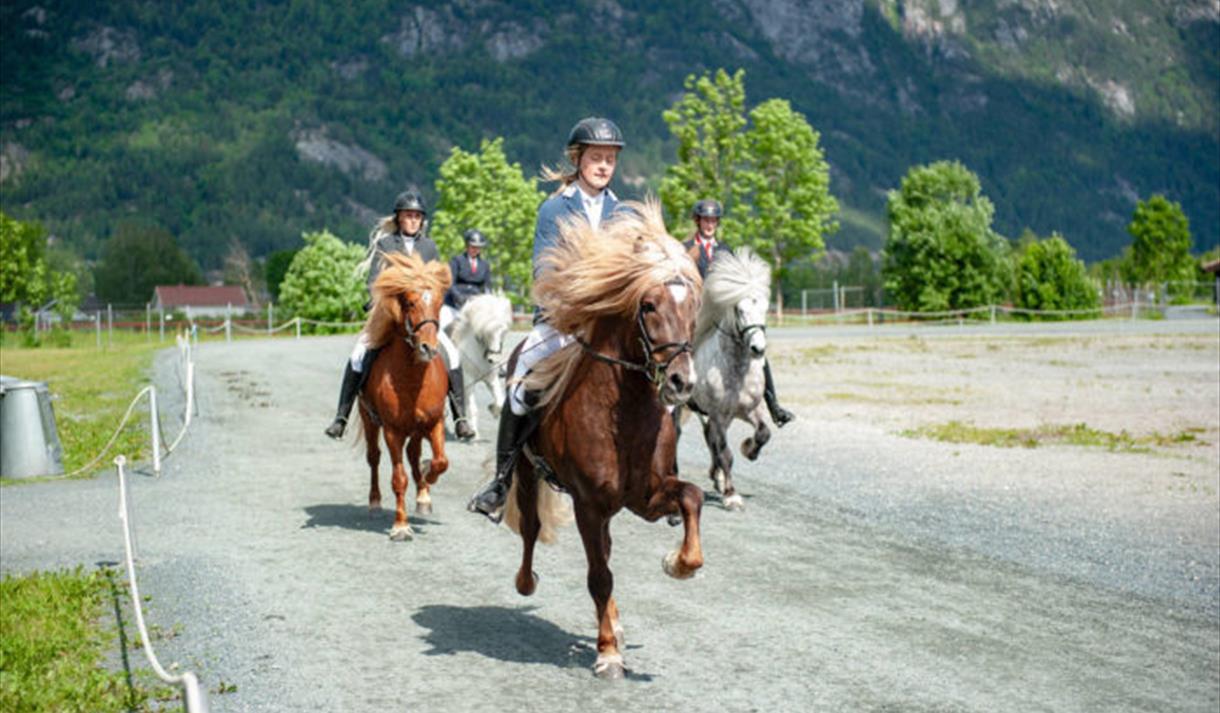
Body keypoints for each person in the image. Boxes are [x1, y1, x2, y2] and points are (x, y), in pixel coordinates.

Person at [467, 116, 625, 520]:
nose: (604, 165)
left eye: (610, 158)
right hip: (563, 322)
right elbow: (545, 269)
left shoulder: (622, 212)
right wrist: (571, 307)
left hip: (607, 324)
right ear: (578, 159)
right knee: (520, 383)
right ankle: (500, 482)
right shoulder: (554, 208)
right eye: (596, 157)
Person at [324, 188, 475, 441]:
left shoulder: (430, 247)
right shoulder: (386, 244)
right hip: (391, 316)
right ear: (398, 218)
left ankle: (460, 417)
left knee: (451, 353)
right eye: (408, 215)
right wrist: (381, 301)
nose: (413, 220)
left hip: (422, 317)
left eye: (417, 216)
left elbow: (436, 281)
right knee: (359, 353)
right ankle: (342, 416)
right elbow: (374, 279)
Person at [682, 198, 794, 427]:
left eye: (713, 220)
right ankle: (675, 396)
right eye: (706, 219)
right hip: (698, 311)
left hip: (724, 313)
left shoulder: (725, 251)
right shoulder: (685, 249)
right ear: (698, 221)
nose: (710, 224)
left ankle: (773, 405)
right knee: (680, 348)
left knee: (756, 348)